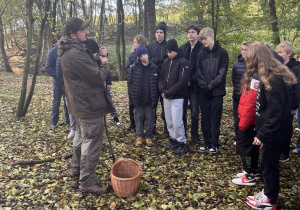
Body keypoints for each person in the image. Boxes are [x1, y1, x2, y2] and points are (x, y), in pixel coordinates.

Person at [58, 17, 114, 195]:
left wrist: (98, 57)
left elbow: (86, 70)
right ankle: (87, 181)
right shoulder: (74, 54)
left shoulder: (73, 49)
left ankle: (76, 168)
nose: (86, 32)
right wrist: (105, 63)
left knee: (81, 138)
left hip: (80, 103)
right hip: (88, 104)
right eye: (82, 30)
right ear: (73, 35)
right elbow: (97, 77)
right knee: (92, 142)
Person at [244, 42, 296, 209]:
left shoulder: (273, 79)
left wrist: (263, 134)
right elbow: (264, 108)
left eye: (250, 57)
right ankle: (267, 192)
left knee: (269, 165)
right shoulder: (266, 75)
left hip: (276, 133)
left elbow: (276, 112)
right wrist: (258, 127)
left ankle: (270, 200)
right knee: (267, 164)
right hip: (270, 130)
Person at [196, 27, 229, 153]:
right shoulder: (201, 54)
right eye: (202, 39)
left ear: (212, 37)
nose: (203, 41)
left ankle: (214, 143)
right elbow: (198, 72)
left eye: (205, 39)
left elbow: (222, 73)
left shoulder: (222, 53)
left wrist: (210, 86)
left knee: (215, 119)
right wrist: (204, 87)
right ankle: (207, 142)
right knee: (204, 118)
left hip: (217, 92)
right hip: (204, 92)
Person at [158, 39, 190, 155]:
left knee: (177, 121)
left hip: (178, 97)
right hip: (166, 96)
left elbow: (182, 81)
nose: (168, 54)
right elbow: (161, 77)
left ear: (175, 51)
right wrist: (163, 90)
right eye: (167, 52)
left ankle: (182, 142)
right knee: (169, 120)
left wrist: (169, 92)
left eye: (170, 52)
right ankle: (174, 139)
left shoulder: (183, 62)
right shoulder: (166, 62)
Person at [231, 74, 260, 186]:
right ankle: (254, 170)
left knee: (243, 146)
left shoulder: (256, 78)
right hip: (250, 119)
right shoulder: (255, 76)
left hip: (248, 119)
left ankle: (249, 175)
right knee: (253, 146)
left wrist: (243, 123)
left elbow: (251, 103)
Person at [127, 45, 159, 147]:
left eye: (144, 54)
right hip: (138, 99)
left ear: (148, 54)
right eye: (141, 56)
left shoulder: (155, 68)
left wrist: (155, 97)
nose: (143, 57)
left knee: (150, 118)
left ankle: (148, 136)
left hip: (150, 98)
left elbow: (157, 83)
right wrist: (132, 94)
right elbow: (130, 82)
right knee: (138, 117)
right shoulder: (134, 68)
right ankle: (139, 136)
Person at [275, 41, 300, 161]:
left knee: (286, 129)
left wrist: (293, 107)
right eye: (277, 52)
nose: (278, 54)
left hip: (289, 104)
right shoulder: (278, 67)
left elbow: (297, 89)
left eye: (281, 52)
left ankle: (284, 152)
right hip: (277, 103)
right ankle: (277, 150)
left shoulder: (295, 69)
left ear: (289, 53)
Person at [179, 25, 204, 144]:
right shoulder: (183, 48)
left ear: (198, 34)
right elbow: (179, 66)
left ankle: (194, 135)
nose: (190, 34)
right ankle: (182, 133)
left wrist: (192, 80)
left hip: (195, 86)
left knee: (194, 112)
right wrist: (184, 80)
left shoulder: (202, 49)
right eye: (189, 32)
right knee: (182, 111)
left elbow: (201, 68)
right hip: (183, 86)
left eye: (193, 32)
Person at [45, 31, 70, 130]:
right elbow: (48, 67)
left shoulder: (66, 50)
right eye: (61, 39)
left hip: (67, 81)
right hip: (57, 82)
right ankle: (53, 122)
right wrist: (58, 76)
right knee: (56, 102)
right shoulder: (52, 52)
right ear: (57, 39)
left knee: (67, 101)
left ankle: (68, 120)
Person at [147, 22, 168, 134]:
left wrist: (157, 60)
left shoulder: (168, 45)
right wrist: (160, 60)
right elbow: (149, 61)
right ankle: (152, 127)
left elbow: (169, 61)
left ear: (164, 33)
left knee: (165, 105)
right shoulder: (150, 46)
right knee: (152, 105)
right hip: (153, 80)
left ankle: (167, 128)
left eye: (161, 32)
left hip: (166, 81)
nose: (159, 34)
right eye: (157, 32)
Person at [125, 35, 148, 131]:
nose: (134, 44)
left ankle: (145, 124)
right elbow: (127, 68)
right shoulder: (132, 55)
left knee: (144, 105)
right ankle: (133, 124)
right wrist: (132, 69)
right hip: (133, 83)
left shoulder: (146, 54)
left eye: (136, 42)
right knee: (132, 104)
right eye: (134, 42)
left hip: (144, 84)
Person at [231, 41, 253, 138]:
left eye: (246, 50)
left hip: (250, 99)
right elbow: (234, 80)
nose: (243, 52)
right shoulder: (236, 65)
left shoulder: (255, 65)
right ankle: (239, 140)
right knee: (237, 121)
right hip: (237, 97)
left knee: (248, 121)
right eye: (242, 49)